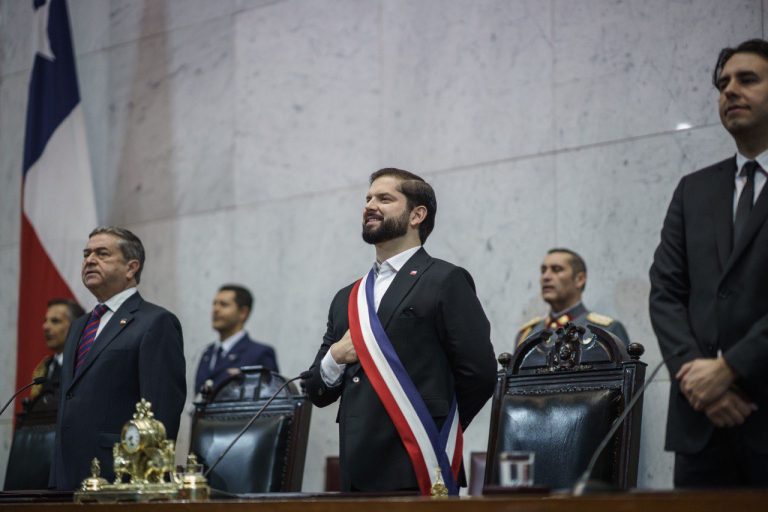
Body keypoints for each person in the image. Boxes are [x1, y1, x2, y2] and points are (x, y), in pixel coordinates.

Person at [304, 168, 497, 494]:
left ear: (417, 215)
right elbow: (316, 391)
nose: (369, 205)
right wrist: (335, 357)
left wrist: (435, 427)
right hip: (356, 469)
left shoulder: (445, 280)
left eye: (384, 198)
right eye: (367, 198)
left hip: (416, 462)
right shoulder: (347, 298)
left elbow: (480, 372)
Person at [649, 39, 768, 487]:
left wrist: (730, 368)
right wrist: (698, 380)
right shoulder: (693, 190)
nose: (730, 91)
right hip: (700, 424)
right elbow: (665, 291)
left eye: (747, 80)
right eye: (722, 84)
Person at [51, 227, 186, 490]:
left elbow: (160, 412)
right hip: (67, 474)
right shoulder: (79, 326)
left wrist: (145, 480)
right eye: (86, 254)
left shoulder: (155, 322)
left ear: (131, 268)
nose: (89, 260)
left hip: (119, 477)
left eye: (102, 254)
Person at [515, 248, 629, 347]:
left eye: (556, 269)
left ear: (579, 279)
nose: (546, 277)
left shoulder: (607, 331)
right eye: (543, 270)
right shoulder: (527, 335)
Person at [194, 284, 278, 393]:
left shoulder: (259, 353)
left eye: (224, 304)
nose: (216, 309)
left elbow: (271, 397)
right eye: (214, 304)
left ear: (243, 312)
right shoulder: (207, 353)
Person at [29, 298, 85, 403]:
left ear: (77, 326)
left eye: (55, 321)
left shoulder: (85, 363)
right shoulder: (45, 367)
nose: (45, 327)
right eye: (45, 321)